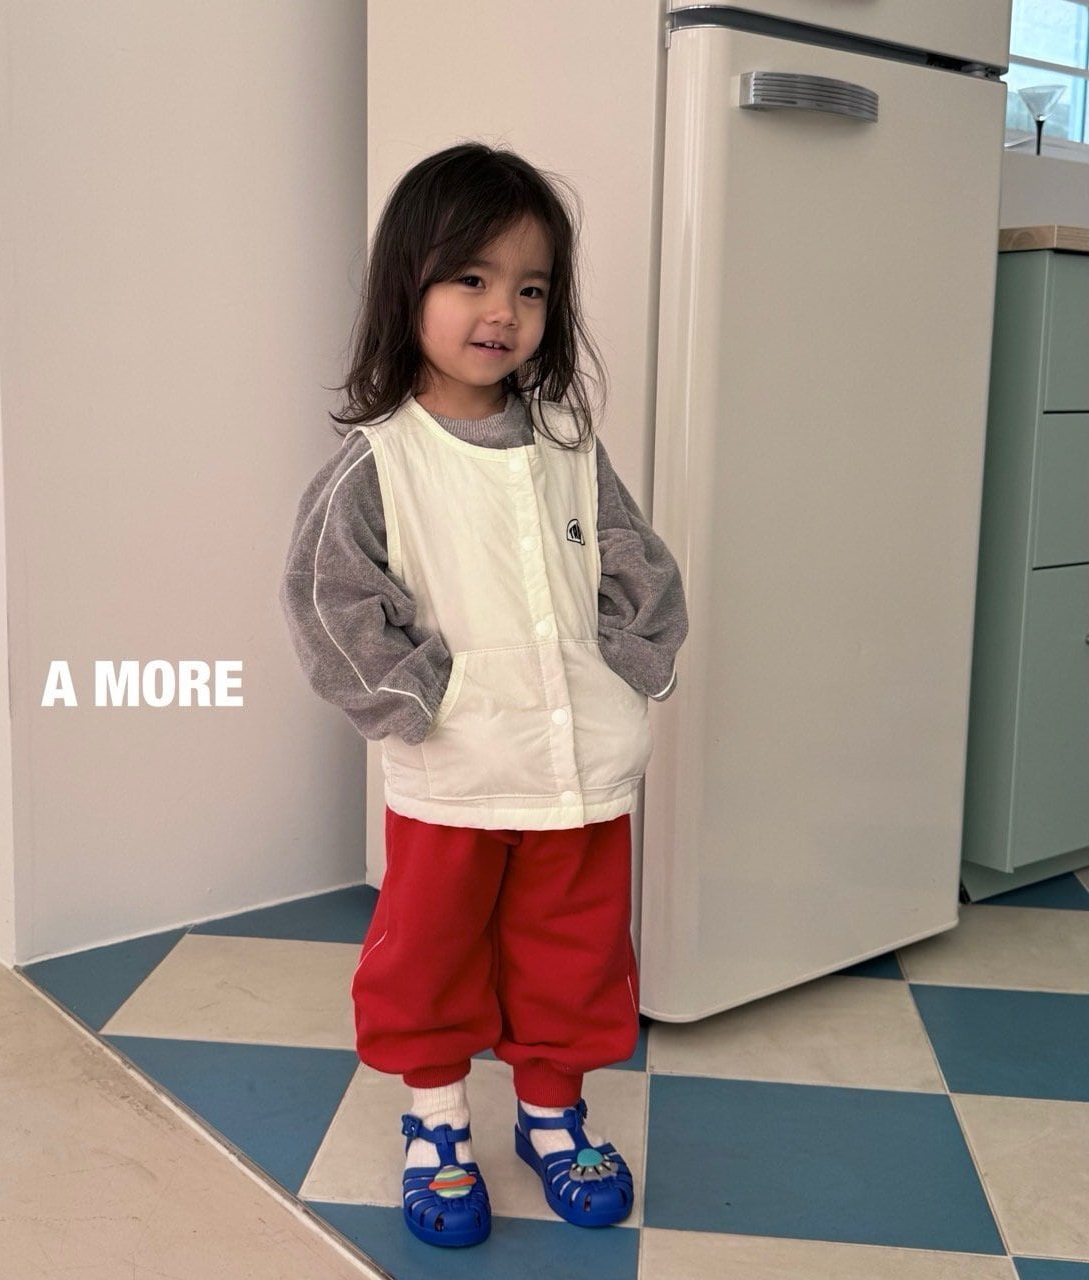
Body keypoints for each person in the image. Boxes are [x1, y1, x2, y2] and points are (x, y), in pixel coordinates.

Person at [279, 142, 687, 1248]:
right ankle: (438, 1120)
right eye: (470, 277)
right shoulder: (380, 460)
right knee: (432, 954)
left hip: (577, 776)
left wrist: (625, 670)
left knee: (574, 956)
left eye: (531, 287)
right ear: (405, 287)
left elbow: (635, 561)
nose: (502, 309)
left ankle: (551, 1115)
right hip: (454, 774)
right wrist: (422, 700)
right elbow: (329, 598)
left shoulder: (567, 445)